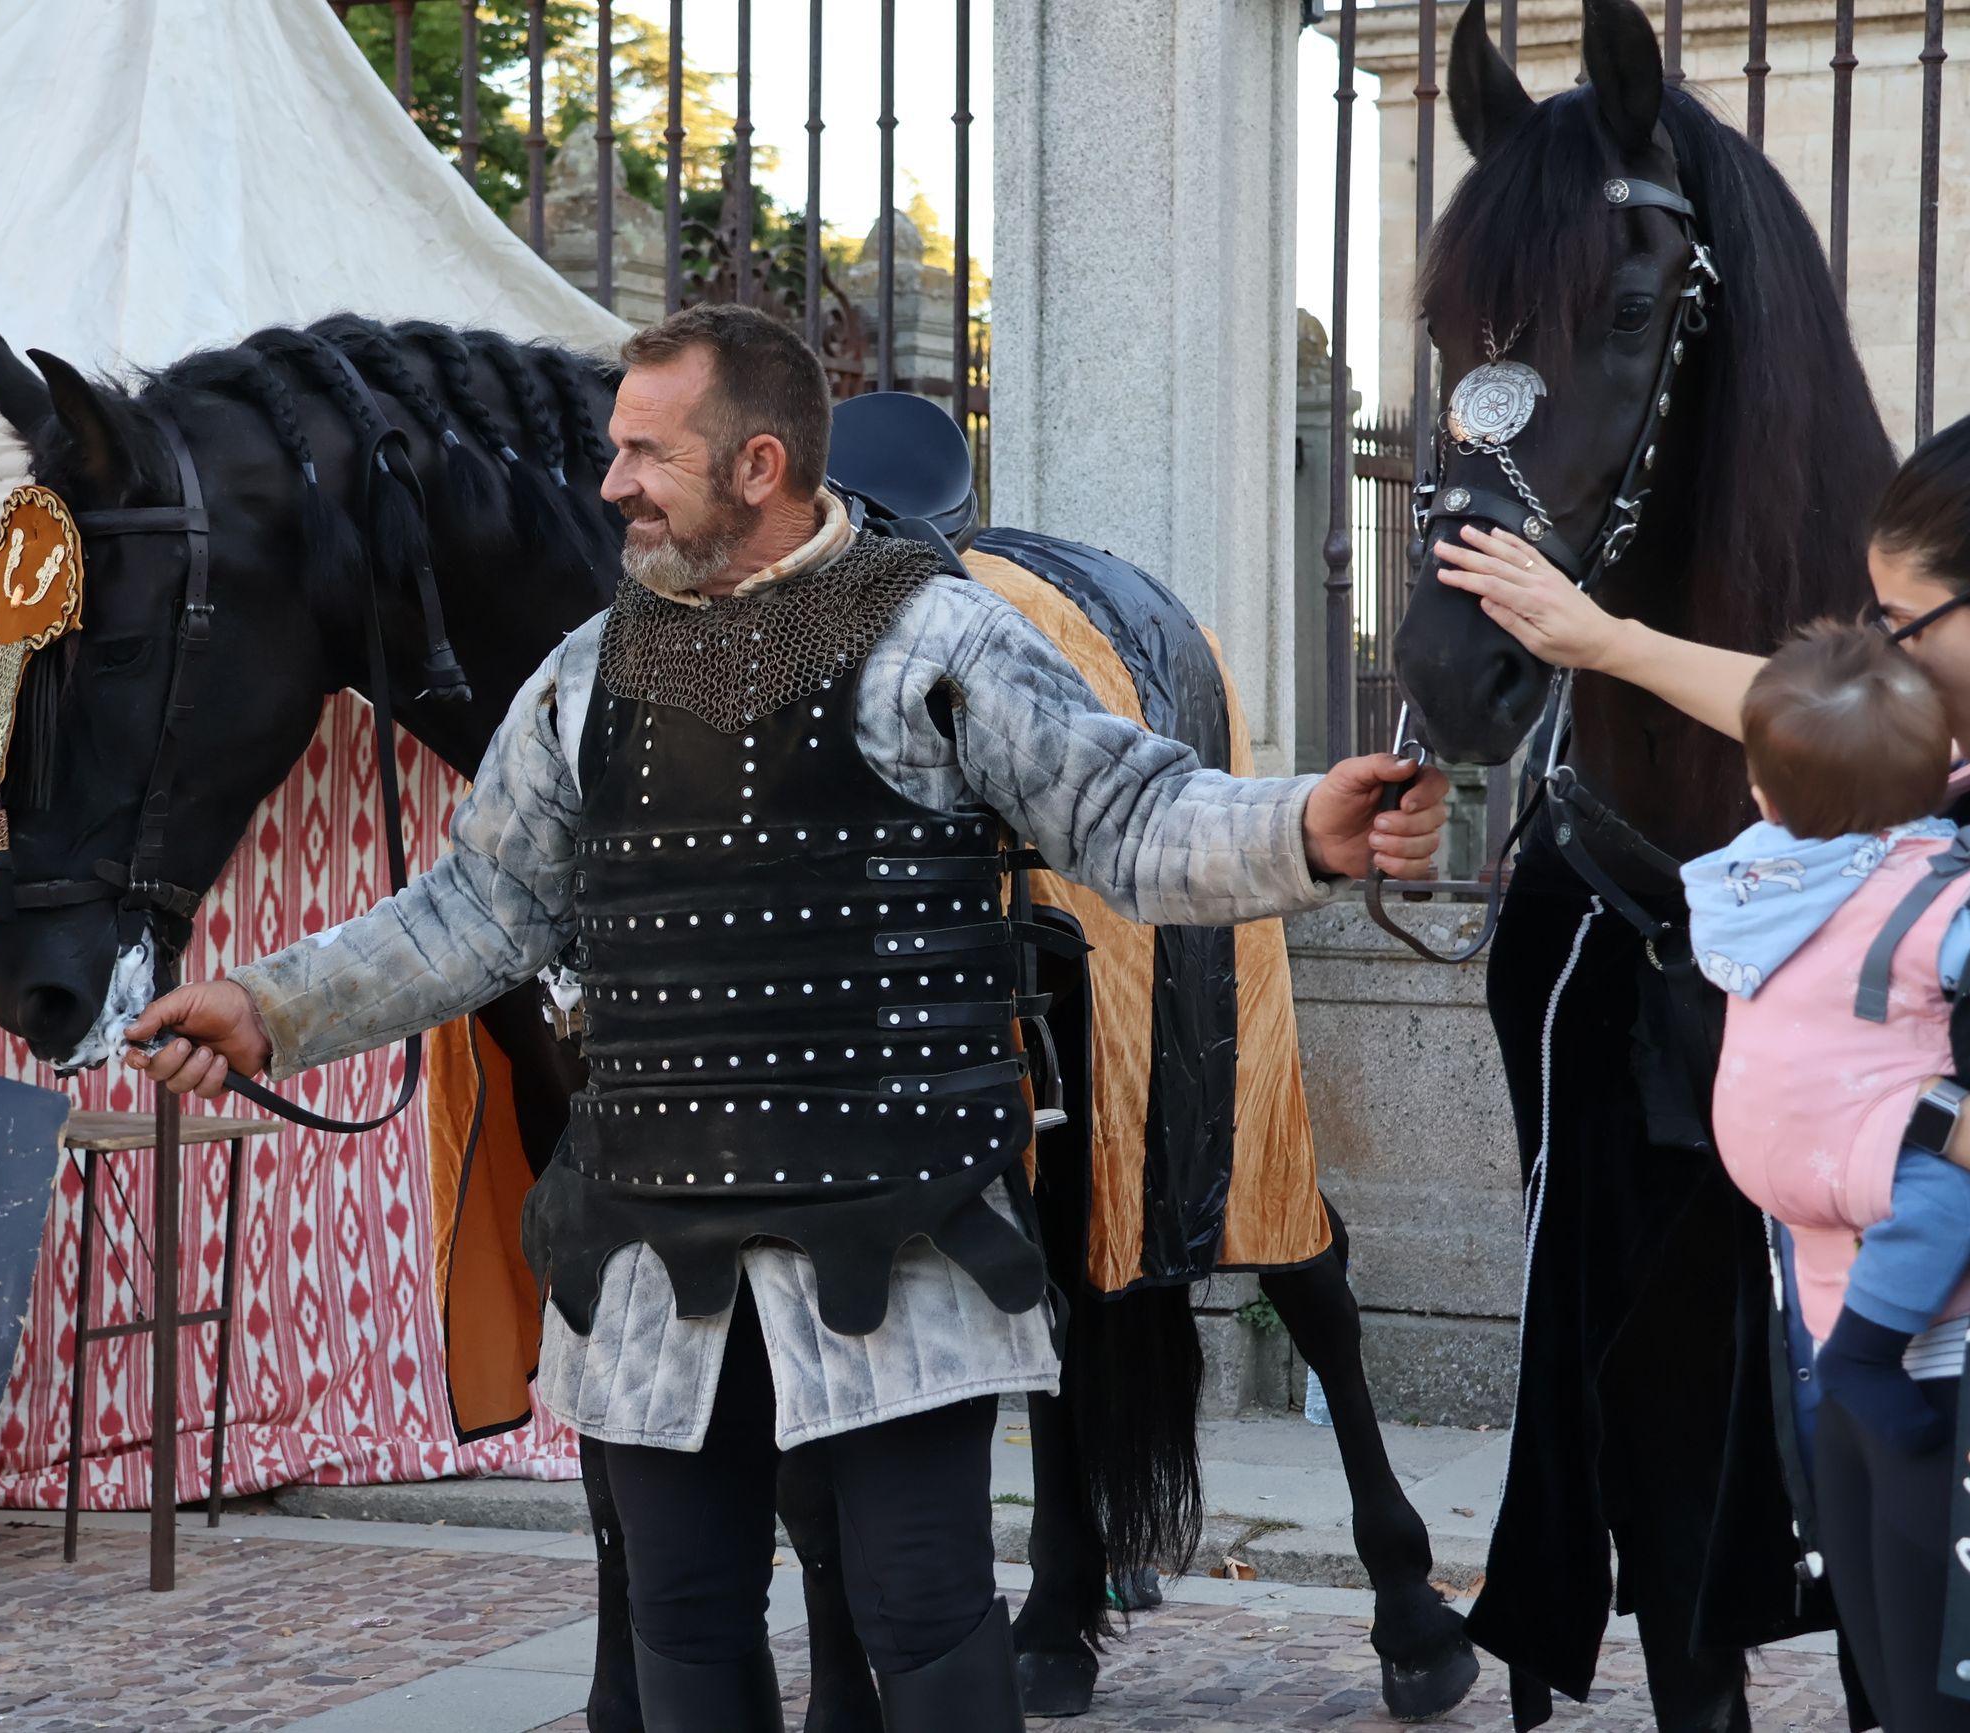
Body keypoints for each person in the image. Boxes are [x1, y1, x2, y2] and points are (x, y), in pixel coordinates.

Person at [128, 302, 1446, 1732]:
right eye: (614, 449)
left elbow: (1126, 815)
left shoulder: (938, 638)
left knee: (925, 1614)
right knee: (683, 1620)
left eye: (646, 452)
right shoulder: (582, 673)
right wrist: (268, 1005)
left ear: (759, 463)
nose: (612, 483)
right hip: (649, 1240)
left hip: (899, 1231)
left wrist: (1303, 827)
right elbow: (476, 910)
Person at [1436, 403, 1970, 1729]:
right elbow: (1813, 721)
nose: (1885, 662)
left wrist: (1908, 1116)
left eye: (1904, 624)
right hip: (1914, 1376)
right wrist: (1606, 643)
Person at [1681, 625, 1970, 1460]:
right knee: (1954, 1194)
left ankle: (1832, 1340)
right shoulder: (1925, 884)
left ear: (1764, 799)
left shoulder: (1747, 880)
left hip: (1762, 1151)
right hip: (1863, 1149)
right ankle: (1866, 1351)